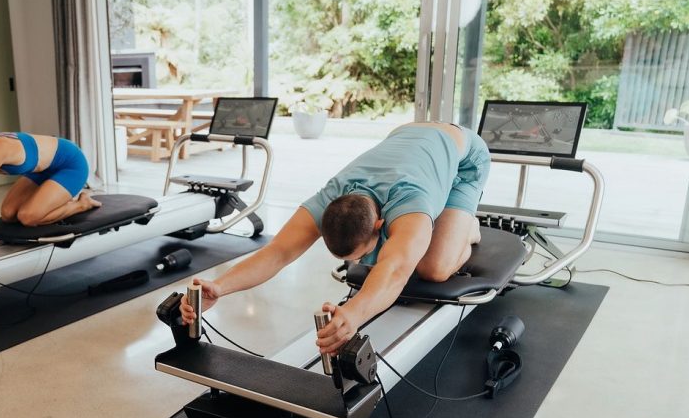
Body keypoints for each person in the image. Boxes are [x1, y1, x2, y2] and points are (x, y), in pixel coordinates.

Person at [180, 121, 491, 356]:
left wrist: (354, 313)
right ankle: (451, 225)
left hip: (463, 154)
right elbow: (278, 252)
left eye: (360, 254)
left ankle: (468, 228)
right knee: (405, 254)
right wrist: (220, 287)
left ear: (380, 224)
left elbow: (396, 270)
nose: (357, 263)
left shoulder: (410, 206)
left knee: (432, 269)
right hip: (408, 136)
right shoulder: (329, 198)